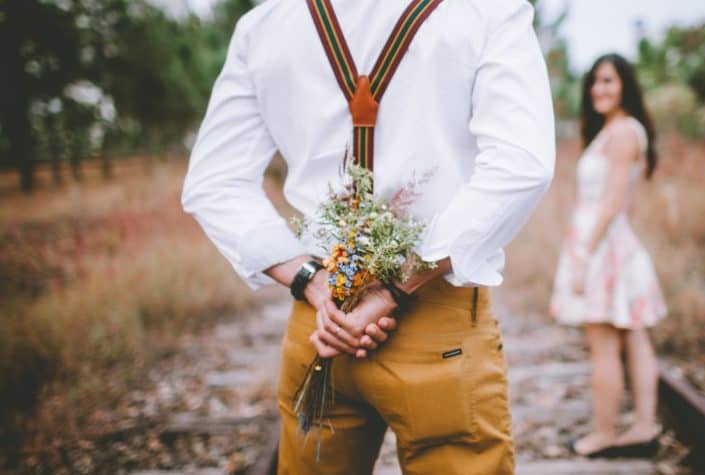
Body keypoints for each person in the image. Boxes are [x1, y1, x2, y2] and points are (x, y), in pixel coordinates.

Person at [181, 0, 555, 473]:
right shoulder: (486, 10)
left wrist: (313, 283)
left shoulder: (265, 25)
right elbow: (522, 165)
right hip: (437, 319)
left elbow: (213, 183)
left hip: (322, 325)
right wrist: (393, 286)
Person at [548, 53, 668, 458]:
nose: (599, 89)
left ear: (625, 86)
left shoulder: (621, 134)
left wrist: (583, 254)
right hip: (612, 241)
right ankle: (642, 427)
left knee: (603, 343)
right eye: (595, 82)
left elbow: (613, 200)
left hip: (600, 245)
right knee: (634, 335)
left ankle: (603, 434)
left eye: (608, 81)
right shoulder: (620, 130)